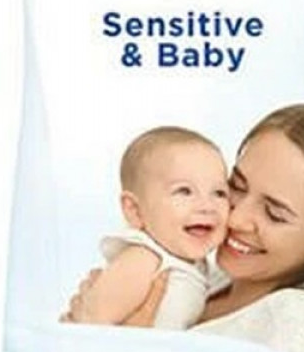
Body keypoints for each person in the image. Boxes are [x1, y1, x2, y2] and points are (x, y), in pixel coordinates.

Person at [67, 103, 304, 352]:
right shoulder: (204, 275)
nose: (235, 219)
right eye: (235, 187)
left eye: (274, 214)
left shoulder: (300, 322)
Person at [74, 126, 231, 329]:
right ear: (135, 210)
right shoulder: (145, 259)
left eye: (219, 193)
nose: (207, 206)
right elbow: (90, 321)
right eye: (184, 191)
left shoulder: (201, 267)